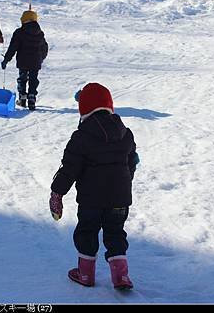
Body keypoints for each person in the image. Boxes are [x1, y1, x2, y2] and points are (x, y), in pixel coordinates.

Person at [49, 82, 139, 290]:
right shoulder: (126, 134)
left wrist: (57, 192)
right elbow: (132, 162)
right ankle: (121, 277)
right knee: (115, 232)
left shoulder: (81, 137)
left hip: (91, 199)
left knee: (87, 231)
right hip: (119, 198)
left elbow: (69, 169)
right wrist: (125, 182)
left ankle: (85, 274)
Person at [0, 10, 48, 110]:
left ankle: (22, 98)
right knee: (33, 79)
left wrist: (6, 60)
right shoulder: (40, 33)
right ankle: (32, 98)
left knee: (22, 79)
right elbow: (44, 47)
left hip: (23, 61)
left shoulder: (19, 32)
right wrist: (41, 58)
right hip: (35, 61)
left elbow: (13, 48)